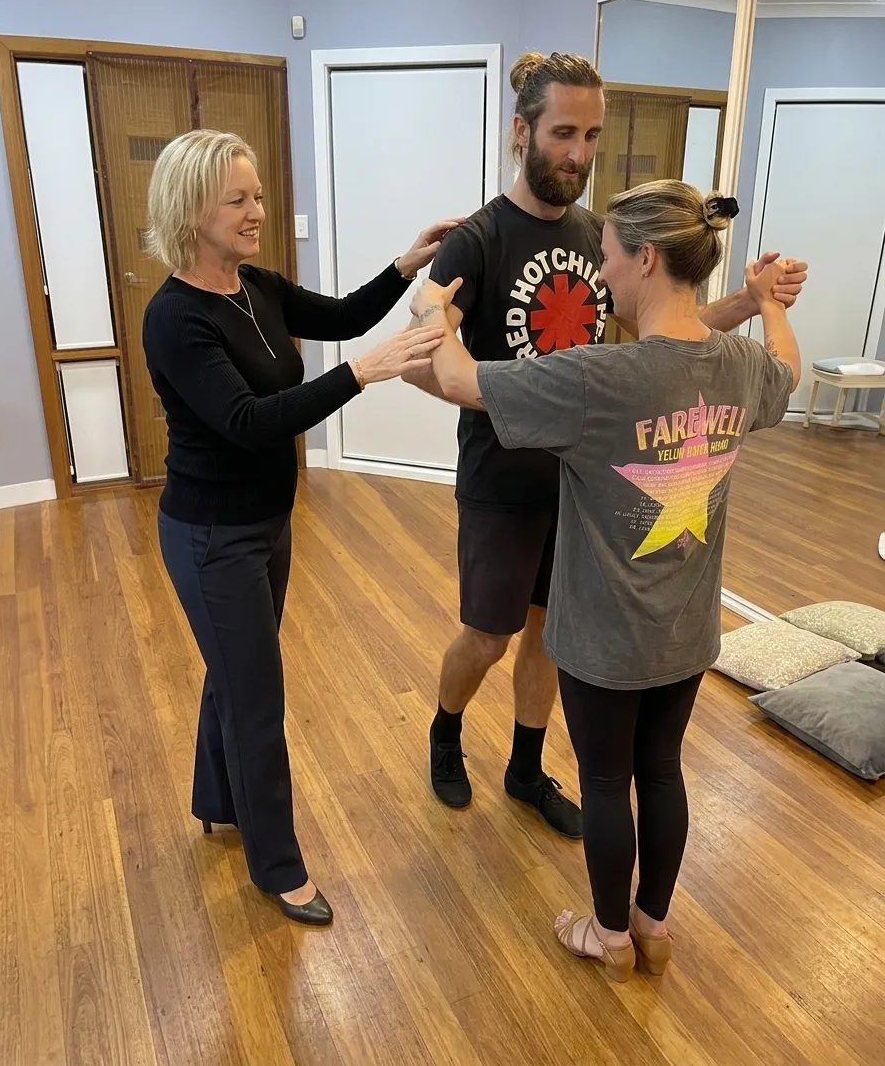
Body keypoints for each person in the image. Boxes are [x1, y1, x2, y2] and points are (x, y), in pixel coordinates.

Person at [406, 50, 807, 838]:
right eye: (563, 133)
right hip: (502, 477)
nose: (580, 155)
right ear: (522, 131)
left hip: (586, 483)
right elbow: (426, 351)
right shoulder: (478, 241)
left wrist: (750, 305)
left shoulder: (601, 234)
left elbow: (661, 336)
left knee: (555, 636)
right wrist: (461, 369)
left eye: (592, 135)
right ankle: (445, 732)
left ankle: (526, 766)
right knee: (491, 634)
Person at [410, 178, 801, 982]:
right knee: (662, 772)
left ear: (648, 259)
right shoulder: (736, 365)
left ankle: (608, 933)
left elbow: (458, 380)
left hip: (602, 641)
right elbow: (787, 371)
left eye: (610, 256)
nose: (601, 271)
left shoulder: (596, 379)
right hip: (689, 637)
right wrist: (768, 304)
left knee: (604, 779)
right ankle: (653, 927)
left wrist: (431, 313)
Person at [142, 129, 459, 926]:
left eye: (258, 196)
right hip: (211, 534)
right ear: (192, 211)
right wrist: (364, 373)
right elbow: (248, 421)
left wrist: (405, 264)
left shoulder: (257, 286)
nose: (258, 212)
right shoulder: (174, 318)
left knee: (234, 672)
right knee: (256, 696)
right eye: (238, 200)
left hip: (266, 524)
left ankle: (217, 799)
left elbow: (346, 314)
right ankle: (277, 867)